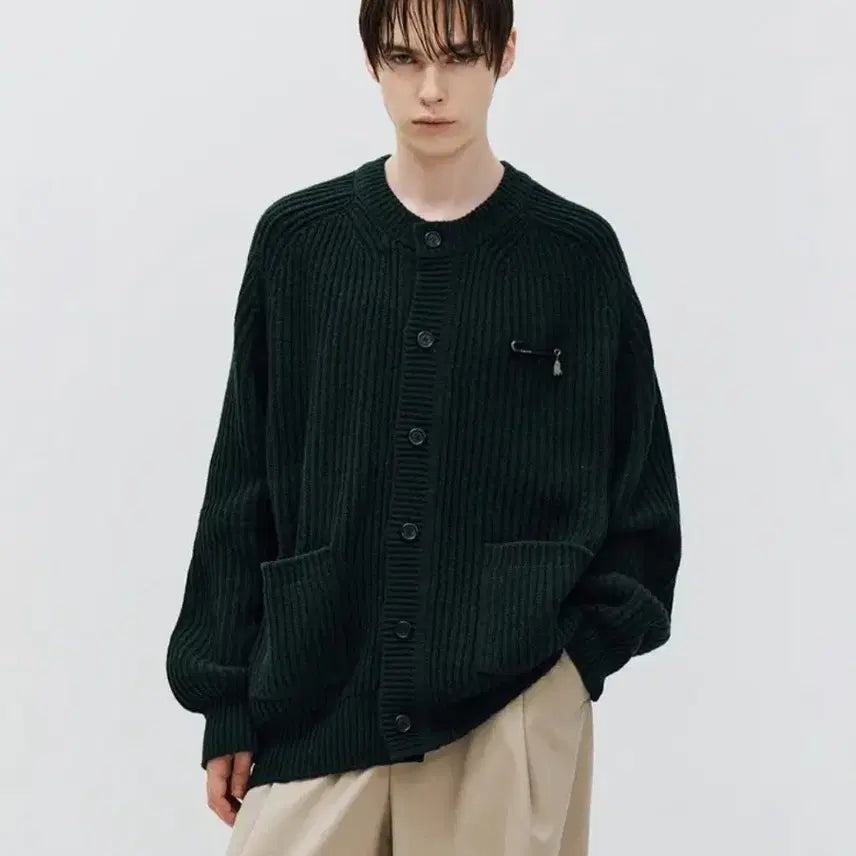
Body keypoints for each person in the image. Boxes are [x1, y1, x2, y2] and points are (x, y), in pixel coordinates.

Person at [165, 1, 682, 853]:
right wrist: (225, 697)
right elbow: (244, 479)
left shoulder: (575, 256)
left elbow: (641, 494)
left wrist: (572, 668)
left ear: (505, 55)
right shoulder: (300, 245)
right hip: (316, 702)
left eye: (460, 57)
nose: (432, 89)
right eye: (405, 59)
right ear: (371, 60)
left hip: (508, 711)